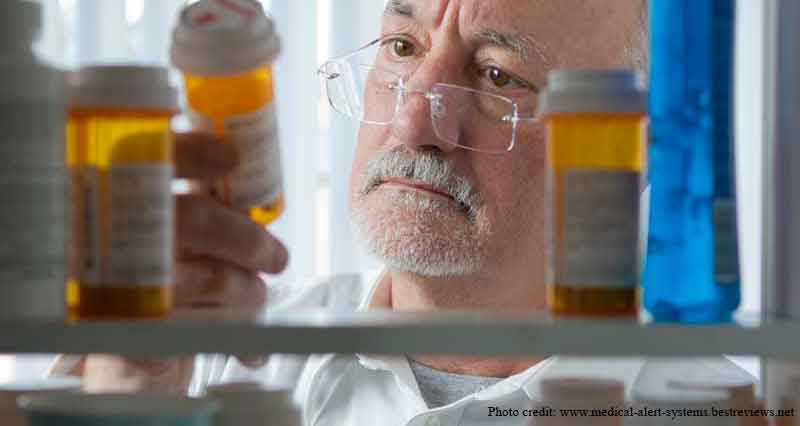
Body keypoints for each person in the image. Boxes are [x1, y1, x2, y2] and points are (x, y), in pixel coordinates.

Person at [57, 0, 755, 424]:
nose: (413, 119)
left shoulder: (722, 412)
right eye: (402, 47)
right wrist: (125, 392)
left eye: (497, 76)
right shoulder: (214, 359)